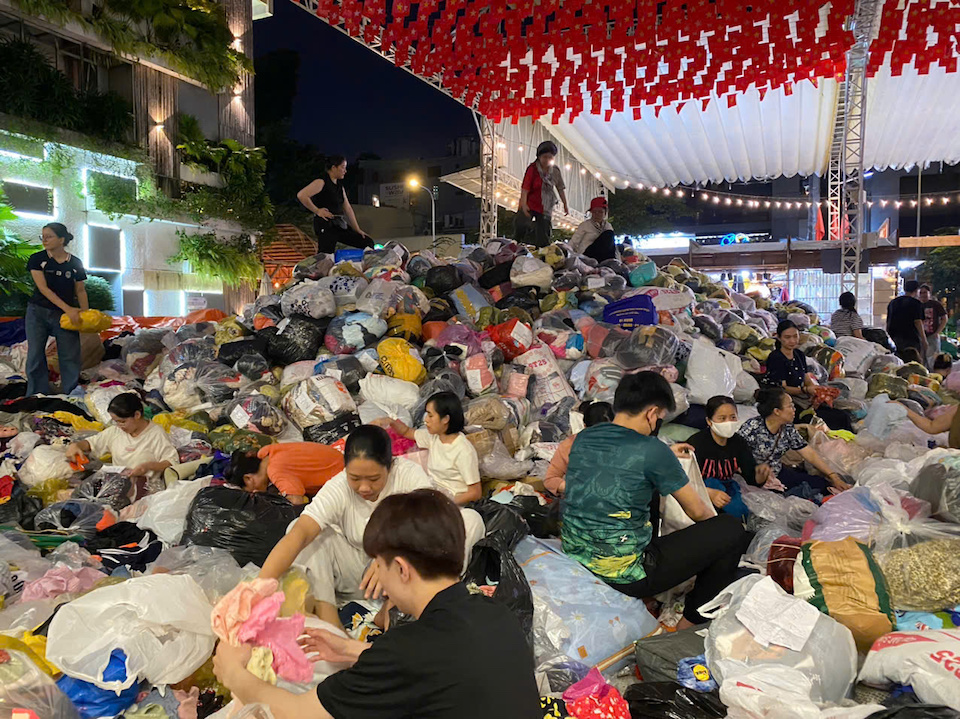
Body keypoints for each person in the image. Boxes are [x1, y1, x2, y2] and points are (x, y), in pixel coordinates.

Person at [213, 489, 541, 719]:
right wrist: (352, 650)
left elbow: (298, 714)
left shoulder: (407, 648)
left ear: (401, 569)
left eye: (379, 567)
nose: (379, 582)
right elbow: (442, 669)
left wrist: (232, 672)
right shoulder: (495, 614)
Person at [561, 371, 747, 628]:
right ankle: (691, 621)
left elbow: (621, 460)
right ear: (652, 413)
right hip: (625, 574)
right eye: (659, 417)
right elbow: (698, 513)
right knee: (731, 531)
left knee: (642, 490)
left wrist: (664, 456)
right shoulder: (652, 450)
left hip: (577, 553)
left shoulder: (584, 437)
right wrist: (711, 541)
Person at [257, 425, 483, 629]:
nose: (364, 487)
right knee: (300, 528)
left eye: (374, 479)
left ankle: (398, 612)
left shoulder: (408, 476)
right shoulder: (338, 486)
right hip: (356, 574)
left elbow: (431, 523)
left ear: (391, 465)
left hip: (405, 575)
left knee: (470, 521)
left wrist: (388, 554)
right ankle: (331, 623)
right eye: (355, 478)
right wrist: (255, 590)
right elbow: (301, 534)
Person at [737, 387, 851, 496]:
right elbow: (735, 457)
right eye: (790, 406)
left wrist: (833, 476)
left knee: (822, 485)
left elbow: (809, 454)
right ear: (777, 411)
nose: (794, 409)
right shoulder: (752, 428)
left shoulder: (787, 429)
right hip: (753, 478)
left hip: (778, 473)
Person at [375, 392, 481, 505]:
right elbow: (407, 432)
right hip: (433, 494)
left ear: (445, 419)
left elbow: (475, 492)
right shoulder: (434, 437)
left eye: (430, 415)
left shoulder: (463, 450)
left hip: (452, 506)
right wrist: (390, 421)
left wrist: (446, 503)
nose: (426, 420)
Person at [25, 222, 88, 396]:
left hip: (64, 316)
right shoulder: (37, 259)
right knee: (35, 354)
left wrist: (86, 314)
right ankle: (36, 394)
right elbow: (44, 289)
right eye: (42, 236)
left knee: (70, 354)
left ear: (61, 239)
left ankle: (71, 393)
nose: (44, 240)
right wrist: (69, 309)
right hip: (38, 311)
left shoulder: (75, 263)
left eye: (49, 236)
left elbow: (80, 290)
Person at [764, 320, 852, 431]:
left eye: (795, 336)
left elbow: (805, 376)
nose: (792, 341)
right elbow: (783, 388)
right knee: (818, 420)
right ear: (779, 338)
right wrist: (806, 390)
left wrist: (815, 389)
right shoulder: (776, 358)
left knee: (843, 416)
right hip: (786, 403)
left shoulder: (799, 354)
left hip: (803, 399)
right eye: (787, 337)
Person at [65, 393, 178, 478]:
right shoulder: (115, 431)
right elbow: (91, 443)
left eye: (122, 421)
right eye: (116, 421)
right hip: (120, 486)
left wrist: (148, 467)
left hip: (147, 490)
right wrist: (76, 446)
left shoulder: (155, 433)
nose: (119, 425)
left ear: (137, 415)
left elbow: (171, 461)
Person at [688, 396, 760, 515]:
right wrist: (708, 492)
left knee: (741, 512)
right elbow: (684, 481)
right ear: (709, 421)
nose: (728, 422)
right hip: (700, 491)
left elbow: (751, 476)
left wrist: (760, 475)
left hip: (727, 489)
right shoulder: (696, 443)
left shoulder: (739, 442)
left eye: (732, 417)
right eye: (722, 418)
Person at [297, 156, 373, 253]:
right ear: (334, 168)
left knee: (367, 242)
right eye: (343, 167)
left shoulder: (340, 187)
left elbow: (348, 208)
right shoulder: (321, 182)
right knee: (326, 255)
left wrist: (357, 229)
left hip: (339, 224)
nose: (345, 171)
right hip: (326, 224)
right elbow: (302, 195)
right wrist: (317, 211)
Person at [225, 442, 346, 504]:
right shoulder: (267, 451)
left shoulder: (275, 471)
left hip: (345, 478)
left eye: (249, 490)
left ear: (248, 479)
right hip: (340, 461)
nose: (254, 492)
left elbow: (296, 502)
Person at [544, 400, 613, 496]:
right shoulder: (570, 445)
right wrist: (578, 488)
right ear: (585, 427)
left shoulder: (627, 444)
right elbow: (550, 480)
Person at [516, 141, 568, 248]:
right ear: (539, 156)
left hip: (546, 206)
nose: (547, 160)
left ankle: (543, 255)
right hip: (530, 203)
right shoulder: (533, 168)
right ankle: (515, 247)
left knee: (543, 235)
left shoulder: (555, 171)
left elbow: (560, 188)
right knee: (521, 225)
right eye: (545, 157)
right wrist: (524, 204)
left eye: (550, 157)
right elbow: (525, 188)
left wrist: (565, 204)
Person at [886, 279, 926, 360]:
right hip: (911, 338)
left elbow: (888, 321)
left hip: (894, 337)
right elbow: (918, 322)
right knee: (912, 360)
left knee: (898, 360)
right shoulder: (916, 303)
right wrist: (924, 339)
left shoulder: (893, 302)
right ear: (916, 290)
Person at [569, 197, 615, 261]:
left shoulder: (608, 226)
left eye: (600, 212)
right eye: (594, 212)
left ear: (605, 212)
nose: (597, 214)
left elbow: (612, 245)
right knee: (608, 234)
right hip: (587, 256)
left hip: (603, 256)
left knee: (609, 234)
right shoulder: (585, 225)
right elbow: (573, 242)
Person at [920, 284, 948, 369]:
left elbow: (944, 318)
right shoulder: (918, 305)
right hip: (921, 336)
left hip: (932, 336)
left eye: (925, 292)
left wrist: (937, 332)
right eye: (921, 293)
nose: (923, 295)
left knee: (933, 360)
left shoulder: (935, 304)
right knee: (922, 360)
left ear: (929, 293)